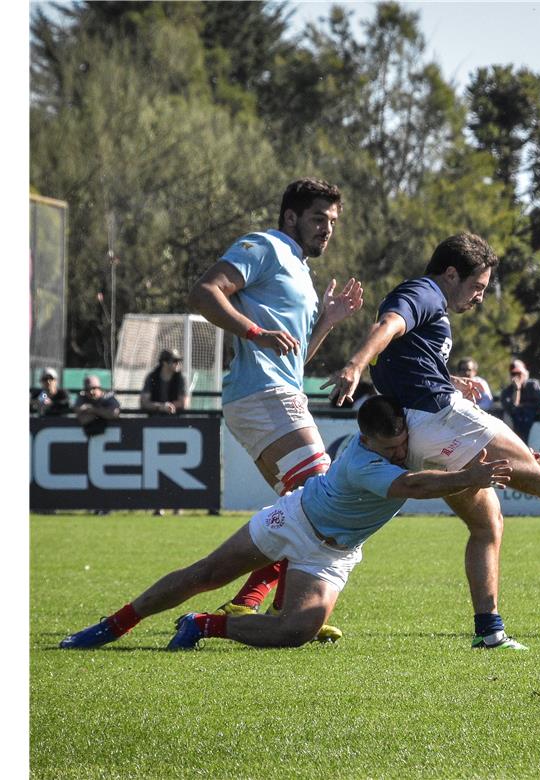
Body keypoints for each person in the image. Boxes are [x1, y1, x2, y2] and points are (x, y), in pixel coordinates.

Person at [322, 233, 540, 650]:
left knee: (487, 523)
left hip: (419, 435)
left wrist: (447, 377)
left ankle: (489, 630)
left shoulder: (423, 303)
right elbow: (387, 327)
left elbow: (398, 356)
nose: (479, 298)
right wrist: (354, 363)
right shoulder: (425, 292)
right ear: (451, 274)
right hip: (441, 417)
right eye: (478, 287)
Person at [59, 396, 514, 651]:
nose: (397, 452)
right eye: (387, 448)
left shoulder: (405, 431)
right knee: (205, 574)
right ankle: (111, 626)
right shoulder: (361, 461)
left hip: (332, 554)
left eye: (401, 445)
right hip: (293, 519)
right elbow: (413, 486)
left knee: (297, 631)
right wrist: (468, 477)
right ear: (363, 439)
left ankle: (201, 625)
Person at [186, 178, 364, 629]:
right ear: (290, 218)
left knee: (303, 505)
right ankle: (256, 599)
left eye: (333, 222)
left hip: (277, 392)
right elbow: (205, 291)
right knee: (322, 494)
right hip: (260, 392)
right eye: (318, 219)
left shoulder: (302, 271)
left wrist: (326, 321)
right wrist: (254, 332)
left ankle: (273, 606)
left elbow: (294, 356)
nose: (327, 229)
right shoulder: (264, 245)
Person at [499, 359, 540, 443]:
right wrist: (517, 389)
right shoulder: (507, 391)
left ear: (525, 373)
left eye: (518, 374)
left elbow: (539, 405)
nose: (516, 377)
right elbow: (512, 408)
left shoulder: (533, 385)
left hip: (533, 425)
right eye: (513, 374)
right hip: (515, 430)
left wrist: (522, 406)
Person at [141, 348, 188, 415]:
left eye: (179, 361)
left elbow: (184, 403)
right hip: (153, 420)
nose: (178, 363)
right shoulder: (152, 377)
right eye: (175, 361)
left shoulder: (181, 378)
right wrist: (160, 407)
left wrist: (169, 406)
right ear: (164, 362)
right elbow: (144, 402)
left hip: (176, 420)